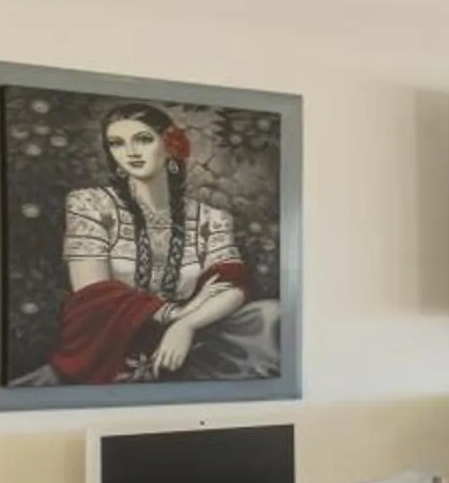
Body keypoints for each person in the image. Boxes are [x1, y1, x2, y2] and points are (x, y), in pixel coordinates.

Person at [27, 101, 281, 385]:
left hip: (191, 338)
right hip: (113, 339)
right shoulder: (91, 204)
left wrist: (187, 324)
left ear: (171, 144)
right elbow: (92, 294)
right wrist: (175, 312)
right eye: (117, 144)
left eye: (143, 140)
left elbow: (232, 285)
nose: (131, 152)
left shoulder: (211, 217)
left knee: (271, 315)